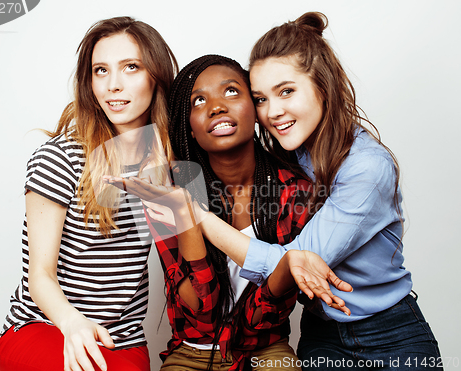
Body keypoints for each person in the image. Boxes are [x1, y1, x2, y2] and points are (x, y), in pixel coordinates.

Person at [184, 12, 442, 370]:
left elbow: (294, 264)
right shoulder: (289, 151)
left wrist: (197, 217)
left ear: (323, 85)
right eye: (260, 98)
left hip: (389, 336)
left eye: (286, 91)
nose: (272, 112)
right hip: (321, 333)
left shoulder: (368, 168)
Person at [106, 54, 352, 370]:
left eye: (232, 91)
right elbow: (201, 313)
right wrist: (186, 215)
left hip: (267, 349)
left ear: (256, 109)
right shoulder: (166, 190)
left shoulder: (297, 192)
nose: (217, 106)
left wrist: (288, 266)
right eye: (198, 101)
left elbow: (268, 317)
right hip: (191, 352)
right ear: (190, 127)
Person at [0, 16, 178, 371]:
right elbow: (40, 275)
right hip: (48, 326)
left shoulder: (177, 163)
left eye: (131, 67)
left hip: (122, 342)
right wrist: (72, 323)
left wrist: (165, 189)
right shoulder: (59, 157)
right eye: (100, 70)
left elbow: (188, 271)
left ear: (155, 75)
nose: (113, 85)